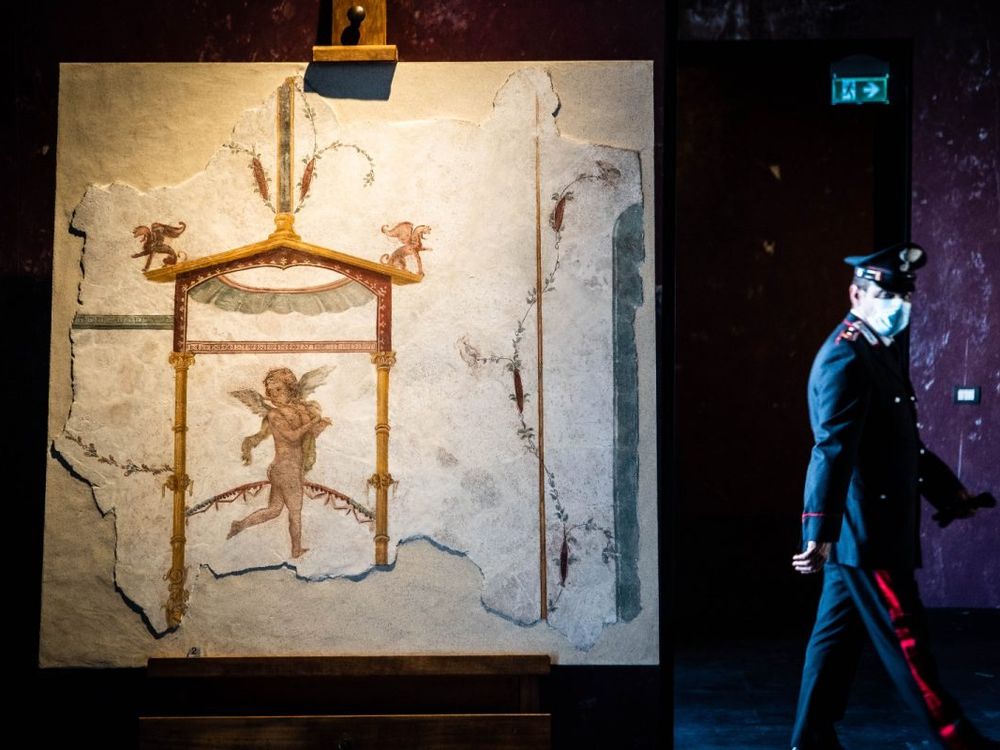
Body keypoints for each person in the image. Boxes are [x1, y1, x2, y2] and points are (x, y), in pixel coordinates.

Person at [790, 242, 997, 750]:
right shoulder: (845, 355)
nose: (899, 304)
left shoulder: (877, 351)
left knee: (833, 642)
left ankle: (809, 738)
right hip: (867, 533)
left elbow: (903, 446)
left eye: (906, 295)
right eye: (888, 293)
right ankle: (959, 740)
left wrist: (951, 494)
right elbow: (832, 450)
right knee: (908, 644)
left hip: (868, 530)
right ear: (857, 293)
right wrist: (818, 531)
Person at [228, 367, 331, 558]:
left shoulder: (297, 410)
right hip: (287, 471)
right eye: (270, 391)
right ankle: (296, 550)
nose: (273, 395)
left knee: (274, 510)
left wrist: (319, 425)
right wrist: (312, 421)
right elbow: (292, 437)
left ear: (290, 389)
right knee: (295, 512)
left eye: (278, 390)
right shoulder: (275, 415)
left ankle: (240, 524)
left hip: (285, 469)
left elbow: (307, 437)